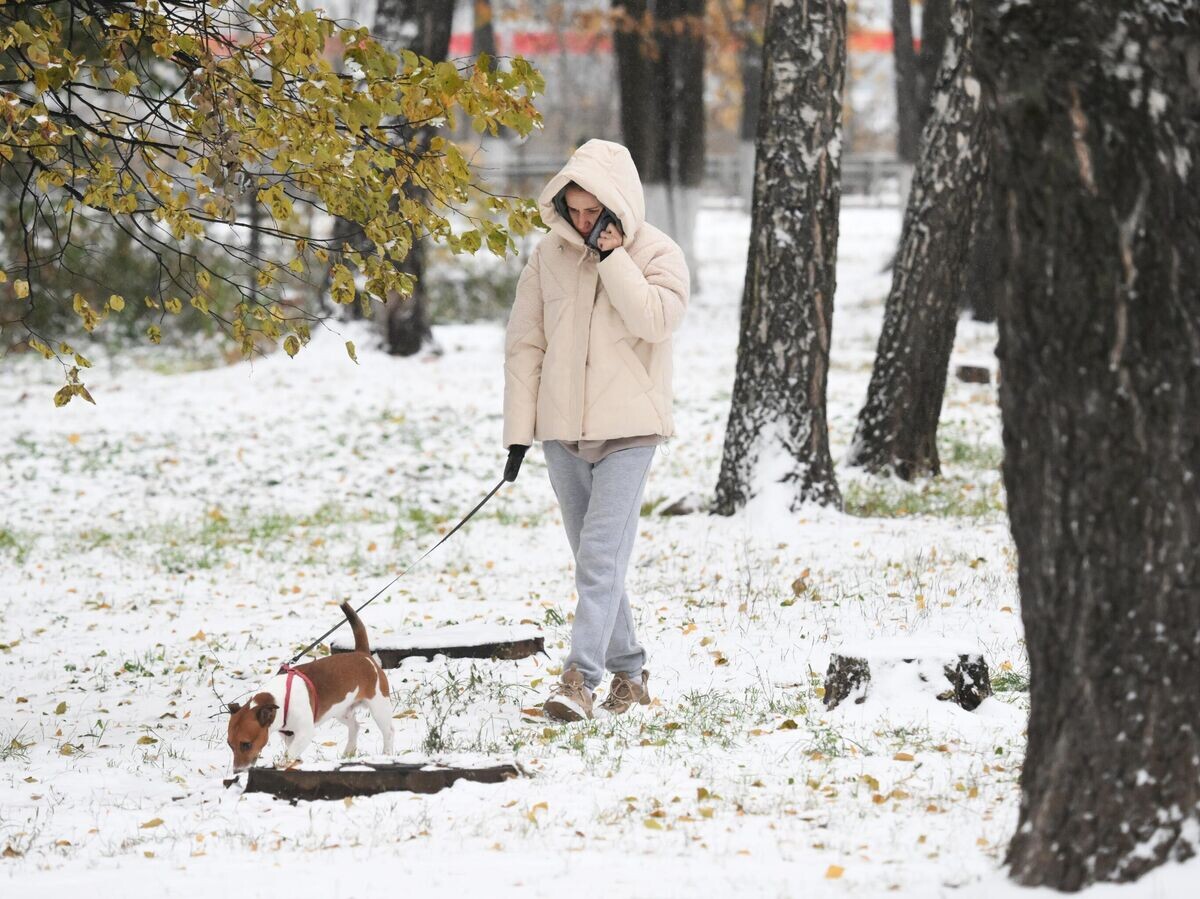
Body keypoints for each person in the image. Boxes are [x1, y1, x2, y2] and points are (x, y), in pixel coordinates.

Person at [501, 139, 690, 721]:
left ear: (617, 205)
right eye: (575, 210)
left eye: (594, 211)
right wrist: (518, 433)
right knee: (593, 557)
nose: (583, 222)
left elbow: (656, 322)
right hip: (563, 431)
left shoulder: (658, 253)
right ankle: (629, 674)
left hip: (630, 431)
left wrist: (614, 258)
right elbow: (525, 343)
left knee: (600, 559)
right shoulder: (546, 257)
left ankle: (579, 680)